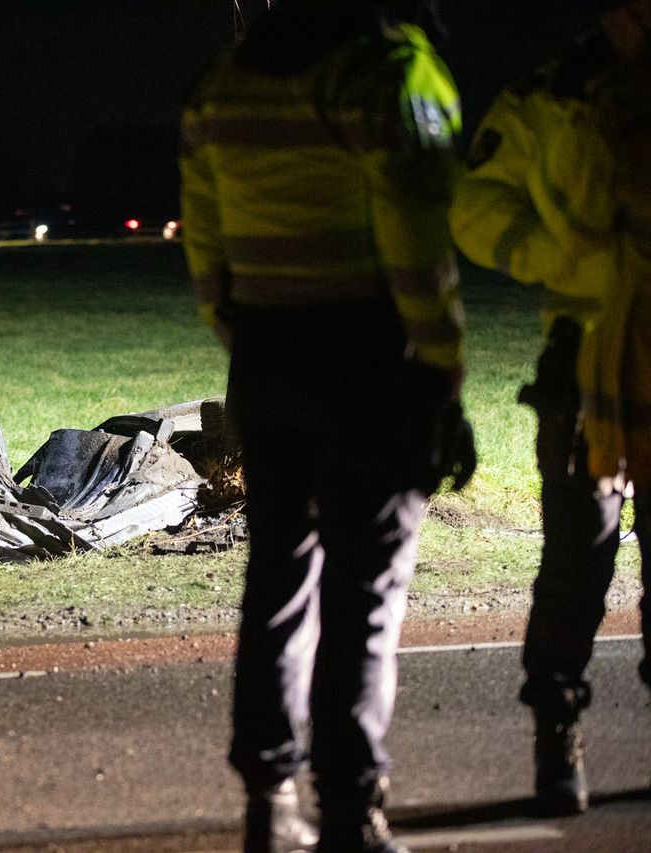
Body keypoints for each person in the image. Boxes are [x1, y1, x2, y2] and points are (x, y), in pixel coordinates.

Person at [179, 2, 469, 851]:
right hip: (369, 354)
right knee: (365, 589)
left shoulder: (221, 81)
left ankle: (267, 799)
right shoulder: (384, 71)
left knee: (279, 573)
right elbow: (417, 231)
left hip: (265, 352)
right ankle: (350, 806)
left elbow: (205, 244)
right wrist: (441, 359)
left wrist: (249, 334)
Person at [449, 0, 651, 817]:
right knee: (580, 554)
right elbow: (477, 208)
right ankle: (556, 736)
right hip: (586, 349)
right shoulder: (553, 93)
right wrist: (568, 260)